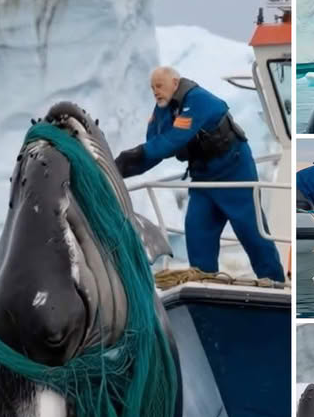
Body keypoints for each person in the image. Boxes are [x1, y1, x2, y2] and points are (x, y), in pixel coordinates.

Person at [114, 66, 285, 282]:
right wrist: (119, 170)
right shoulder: (165, 106)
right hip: (203, 179)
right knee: (197, 231)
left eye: (159, 86)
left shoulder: (198, 100)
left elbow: (172, 140)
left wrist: (132, 156)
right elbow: (154, 144)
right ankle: (205, 283)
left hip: (235, 175)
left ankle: (275, 281)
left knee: (251, 232)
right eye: (152, 88)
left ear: (175, 83)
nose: (155, 91)